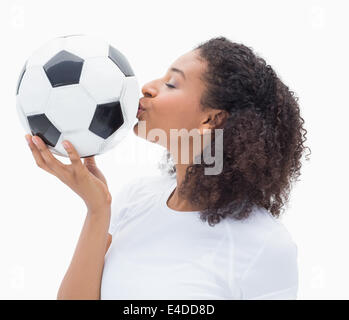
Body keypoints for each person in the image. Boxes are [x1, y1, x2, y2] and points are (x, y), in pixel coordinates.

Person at [25, 36, 310, 300]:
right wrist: (97, 209)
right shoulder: (135, 198)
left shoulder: (266, 246)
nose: (147, 87)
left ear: (211, 121)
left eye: (171, 83)